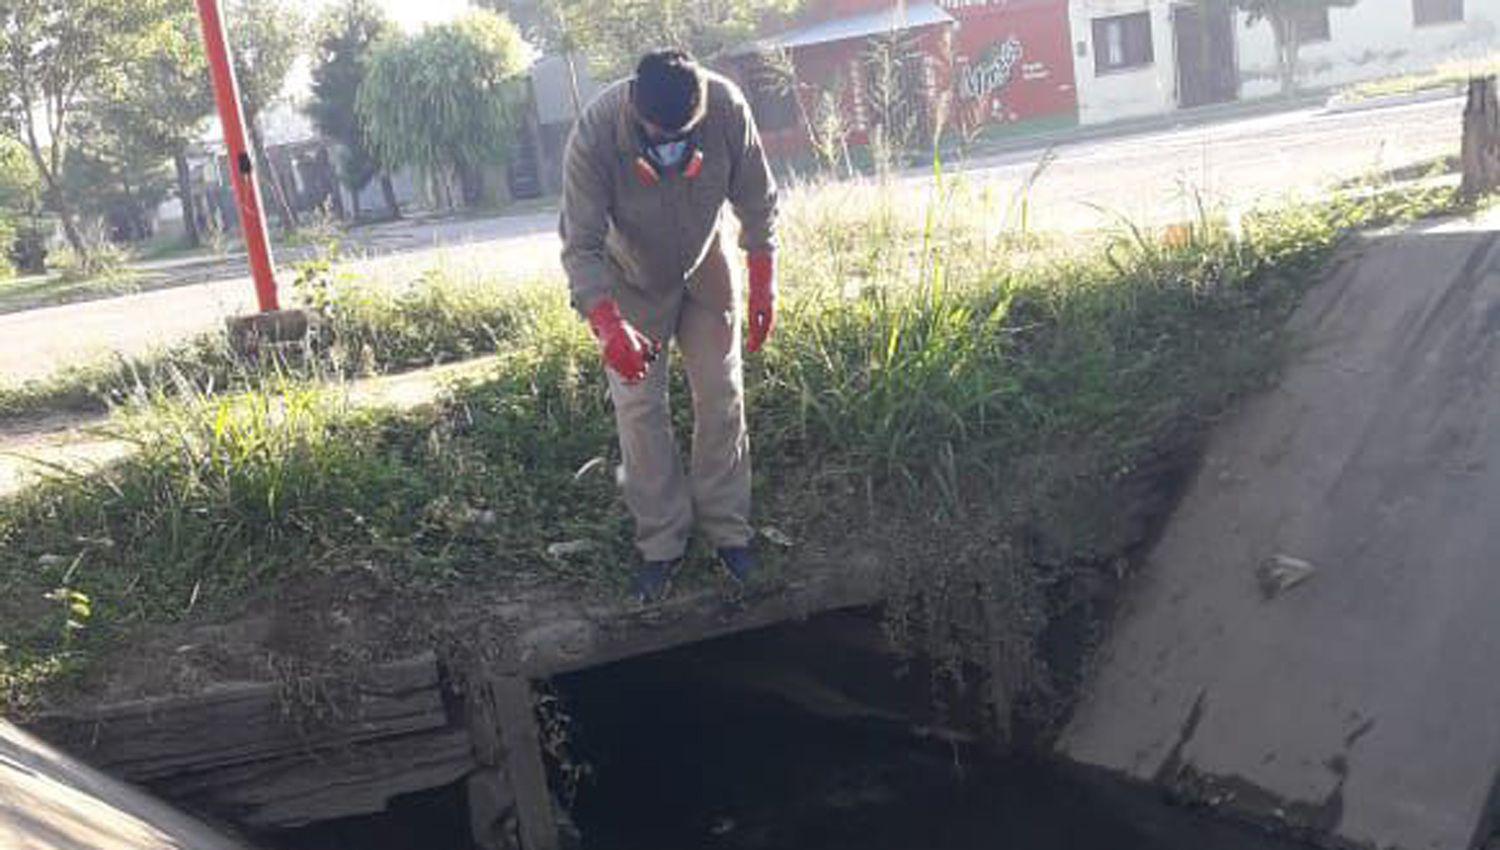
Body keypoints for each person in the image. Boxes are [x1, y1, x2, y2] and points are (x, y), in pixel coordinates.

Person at [559, 49, 779, 603]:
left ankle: (729, 533)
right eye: (659, 137)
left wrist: (762, 277)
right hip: (630, 280)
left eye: (682, 134)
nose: (670, 147)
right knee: (639, 409)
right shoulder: (596, 132)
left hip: (706, 268)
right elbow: (579, 245)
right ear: (634, 104)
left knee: (722, 395)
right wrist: (608, 324)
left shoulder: (726, 106)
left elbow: (758, 200)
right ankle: (661, 546)